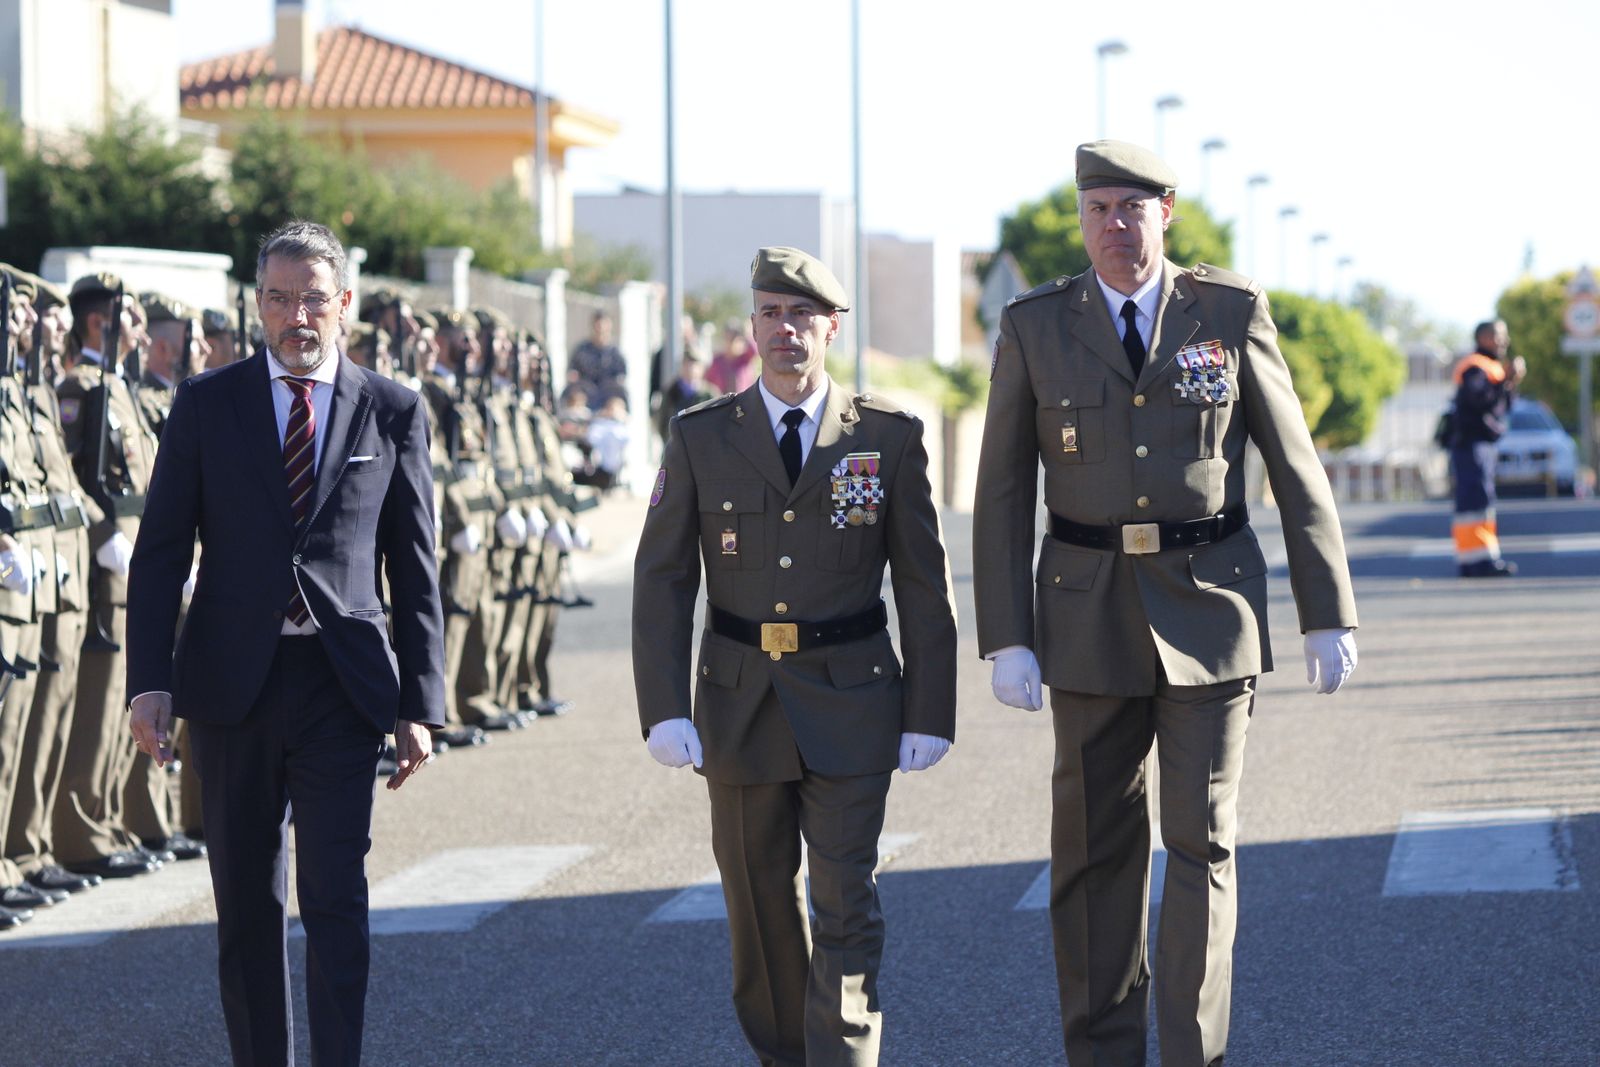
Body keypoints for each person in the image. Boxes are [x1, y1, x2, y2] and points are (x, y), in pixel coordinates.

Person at [972, 141, 1360, 1067]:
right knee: (1096, 853)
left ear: (1167, 213)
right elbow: (998, 493)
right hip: (1085, 610)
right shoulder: (1037, 326)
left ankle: (1193, 1053)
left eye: (1131, 208)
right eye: (1098, 208)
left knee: (1200, 842)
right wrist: (1007, 638)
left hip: (1209, 606)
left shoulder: (1227, 310)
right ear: (1081, 220)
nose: (1115, 226)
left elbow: (1293, 462)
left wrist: (1327, 608)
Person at [125, 220, 446, 1067]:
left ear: (344, 304)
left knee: (335, 898)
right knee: (245, 904)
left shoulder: (393, 408)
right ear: (258, 303)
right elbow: (160, 554)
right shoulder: (206, 403)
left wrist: (422, 704)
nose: (294, 316)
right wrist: (148, 682)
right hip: (233, 686)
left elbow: (415, 570)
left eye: (312, 298)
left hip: (341, 687)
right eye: (277, 297)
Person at [633, 245, 958, 1066]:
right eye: (772, 314)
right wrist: (665, 705)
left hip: (853, 697)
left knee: (846, 901)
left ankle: (843, 1053)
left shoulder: (886, 435)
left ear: (832, 328)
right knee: (757, 906)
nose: (787, 330)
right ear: (753, 327)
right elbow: (664, 578)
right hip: (739, 700)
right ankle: (786, 1052)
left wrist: (931, 709)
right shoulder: (703, 437)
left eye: (803, 315)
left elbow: (924, 584)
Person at [1447, 319, 1524, 577]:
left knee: (1478, 501)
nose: (1503, 341)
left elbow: (1503, 406)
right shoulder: (1475, 367)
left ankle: (1475, 560)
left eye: (1504, 336)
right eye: (1497, 336)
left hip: (1482, 445)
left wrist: (1511, 381)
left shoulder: (1492, 367)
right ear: (1482, 338)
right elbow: (1480, 401)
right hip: (1471, 444)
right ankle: (1478, 561)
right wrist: (1506, 380)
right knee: (1476, 499)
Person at [567, 309, 627, 408]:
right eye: (598, 327)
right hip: (584, 397)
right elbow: (572, 374)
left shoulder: (615, 354)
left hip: (608, 398)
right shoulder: (582, 351)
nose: (601, 331)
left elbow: (621, 378)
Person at [655, 349, 715, 443]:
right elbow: (662, 422)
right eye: (686, 364)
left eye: (694, 364)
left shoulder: (710, 394)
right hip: (676, 448)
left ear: (702, 368)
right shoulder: (671, 391)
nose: (690, 368)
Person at [706, 319, 761, 394]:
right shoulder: (717, 361)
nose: (731, 343)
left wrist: (747, 333)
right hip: (723, 402)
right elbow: (708, 383)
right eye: (728, 338)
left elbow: (756, 350)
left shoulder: (744, 358)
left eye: (734, 339)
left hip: (744, 402)